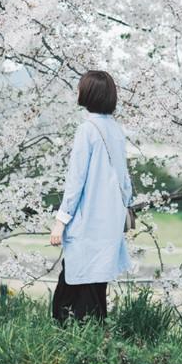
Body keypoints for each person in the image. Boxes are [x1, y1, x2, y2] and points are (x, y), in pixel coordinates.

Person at [49, 70, 133, 324]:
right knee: (97, 287)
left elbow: (76, 181)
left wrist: (61, 220)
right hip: (109, 223)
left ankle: (72, 344)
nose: (77, 91)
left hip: (87, 221)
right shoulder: (116, 130)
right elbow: (126, 182)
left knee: (71, 289)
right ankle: (96, 343)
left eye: (80, 87)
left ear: (89, 93)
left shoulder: (87, 129)